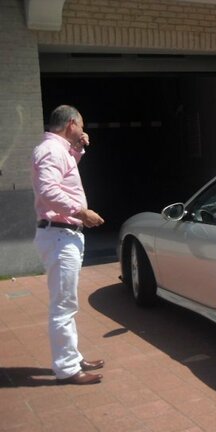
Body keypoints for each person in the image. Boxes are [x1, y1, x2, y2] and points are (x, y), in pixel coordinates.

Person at [31, 105, 105, 384]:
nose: (83, 130)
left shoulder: (59, 150)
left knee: (67, 302)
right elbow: (49, 191)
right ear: (72, 123)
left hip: (64, 233)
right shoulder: (50, 150)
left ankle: (72, 357)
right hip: (60, 234)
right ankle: (67, 368)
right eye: (81, 125)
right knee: (62, 306)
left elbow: (64, 174)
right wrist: (81, 212)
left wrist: (78, 150)